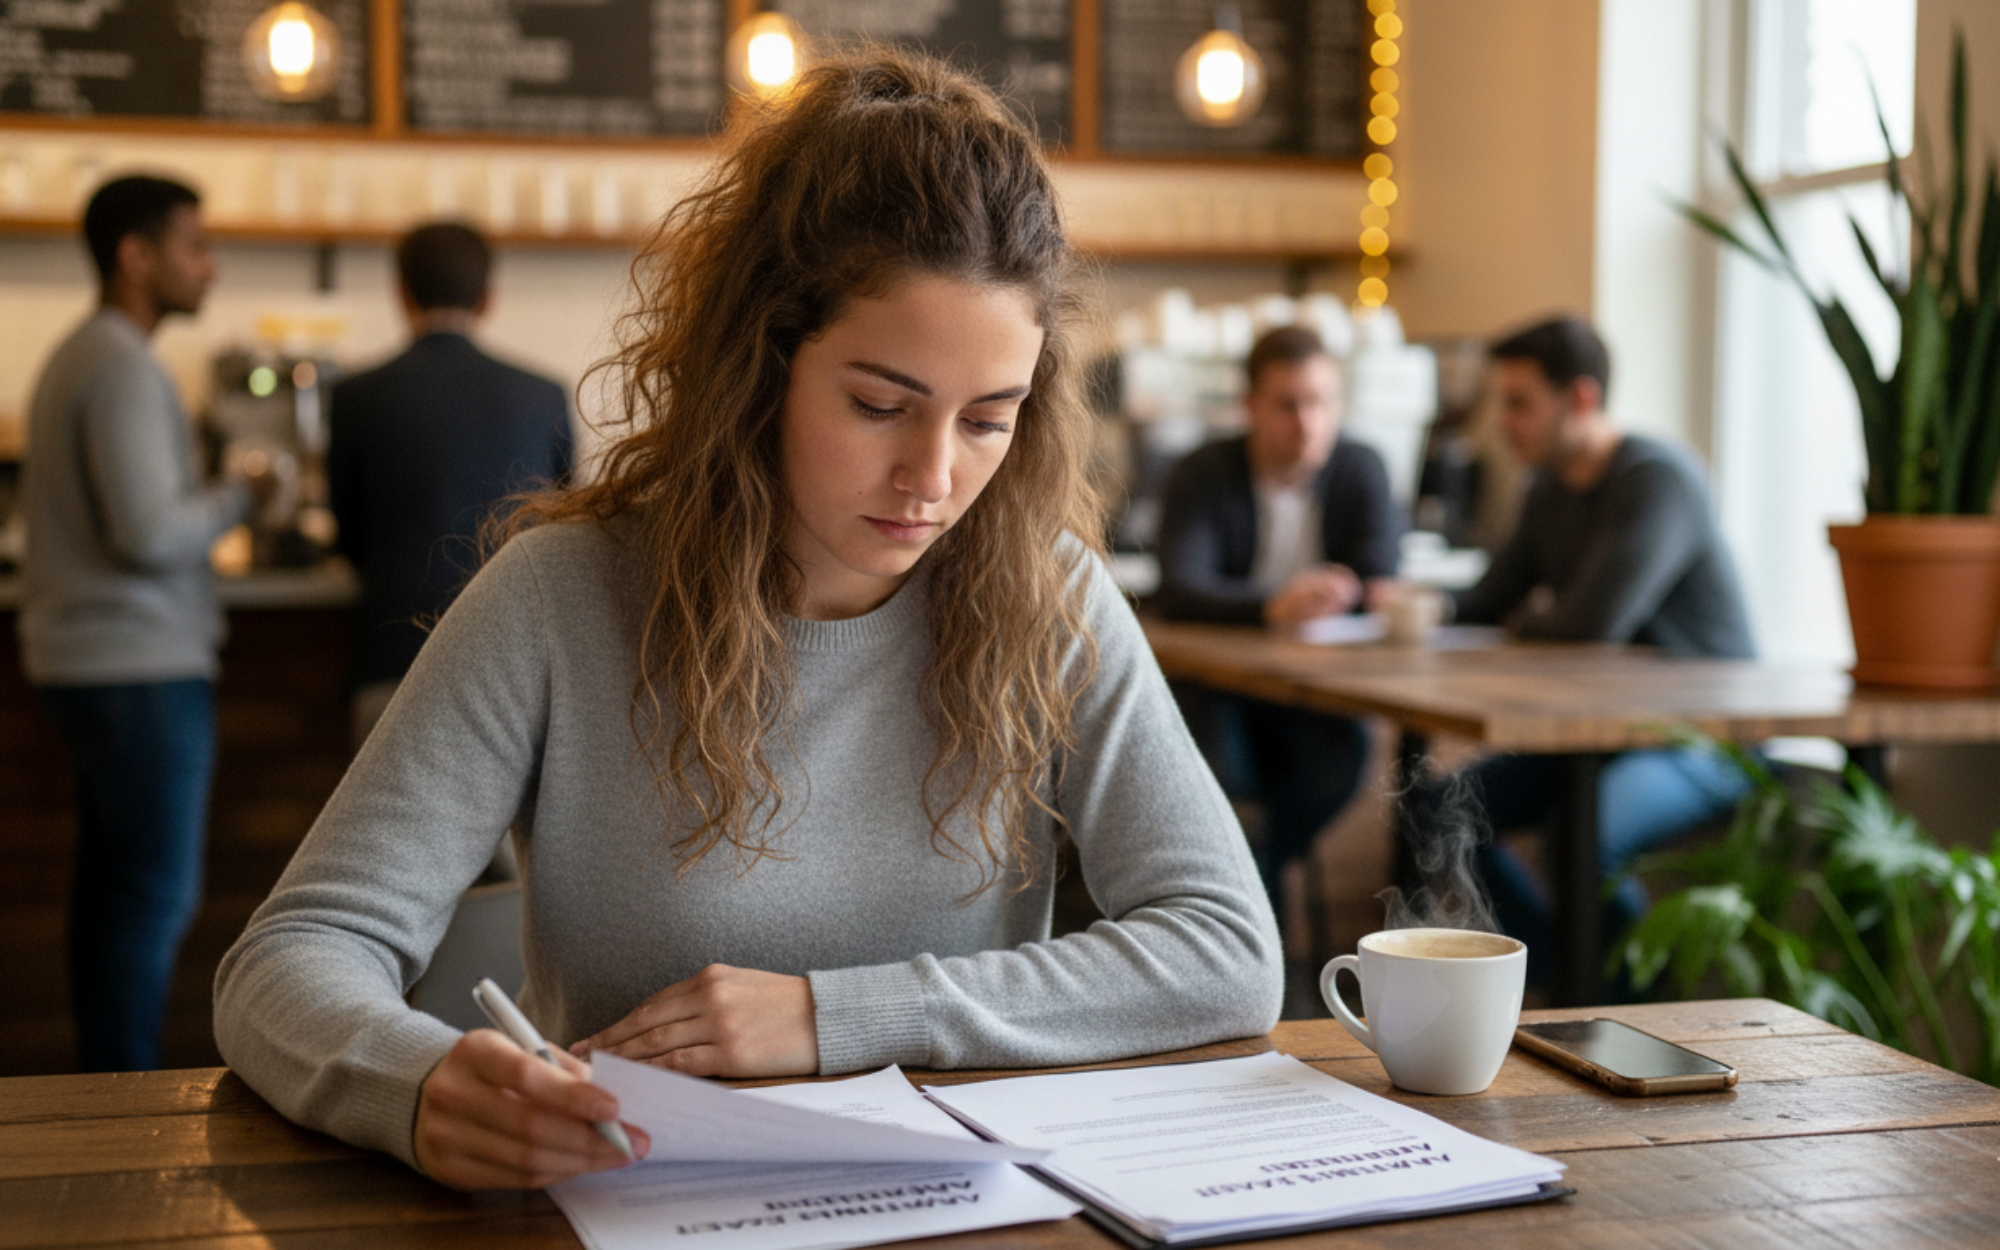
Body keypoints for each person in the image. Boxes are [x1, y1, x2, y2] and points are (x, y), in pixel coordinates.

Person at [215, 49, 1282, 1191]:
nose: (932, 476)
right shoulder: (557, 597)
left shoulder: (1048, 591)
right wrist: (416, 1084)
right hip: (631, 1205)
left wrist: (836, 1014)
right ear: (762, 362)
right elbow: (285, 960)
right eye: (879, 404)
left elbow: (1223, 949)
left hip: (963, 1215)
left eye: (988, 419)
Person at [1402, 315, 1755, 980]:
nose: (1503, 422)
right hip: (1604, 730)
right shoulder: (1546, 490)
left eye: (1521, 404)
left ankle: (1625, 1011)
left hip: (1707, 736)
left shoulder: (1659, 480)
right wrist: (1420, 604)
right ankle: (1565, 985)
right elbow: (1492, 596)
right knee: (1437, 809)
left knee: (1579, 842)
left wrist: (1530, 617)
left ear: (1583, 399)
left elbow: (1592, 622)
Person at [19, 174, 252, 1072]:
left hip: (98, 663)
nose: (210, 265)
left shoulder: (90, 353)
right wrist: (245, 492)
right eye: (195, 245)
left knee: (116, 899)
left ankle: (102, 1086)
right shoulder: (116, 361)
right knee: (153, 901)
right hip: (136, 665)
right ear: (135, 254)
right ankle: (124, 1098)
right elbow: (152, 534)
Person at [1151, 325, 1403, 920]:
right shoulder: (1203, 471)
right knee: (1221, 782)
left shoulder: (1361, 465)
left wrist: (1339, 592)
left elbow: (1378, 573)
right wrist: (1271, 606)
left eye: (1321, 403)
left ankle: (1246, 887)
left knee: (1343, 759)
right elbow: (1180, 587)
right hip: (1217, 686)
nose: (1308, 423)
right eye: (1288, 405)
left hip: (1314, 691)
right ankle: (1250, 909)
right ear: (1250, 408)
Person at [327, 221, 572, 747]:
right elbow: (567, 526)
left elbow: (346, 535)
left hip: (393, 658)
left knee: (387, 827)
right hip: (518, 666)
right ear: (488, 299)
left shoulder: (354, 396)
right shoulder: (543, 396)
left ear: (401, 294)